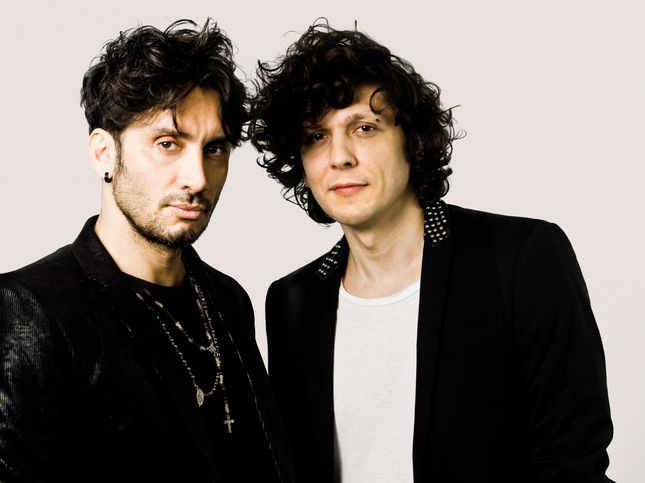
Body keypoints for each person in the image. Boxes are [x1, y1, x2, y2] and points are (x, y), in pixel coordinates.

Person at [249, 22, 614, 483]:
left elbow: (573, 463)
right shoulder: (292, 301)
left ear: (413, 141)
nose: (339, 156)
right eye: (316, 137)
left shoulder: (522, 258)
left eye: (364, 127)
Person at [0, 20, 293, 482]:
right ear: (104, 153)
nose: (197, 178)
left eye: (215, 149)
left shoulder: (229, 300)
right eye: (168, 144)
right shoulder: (28, 308)